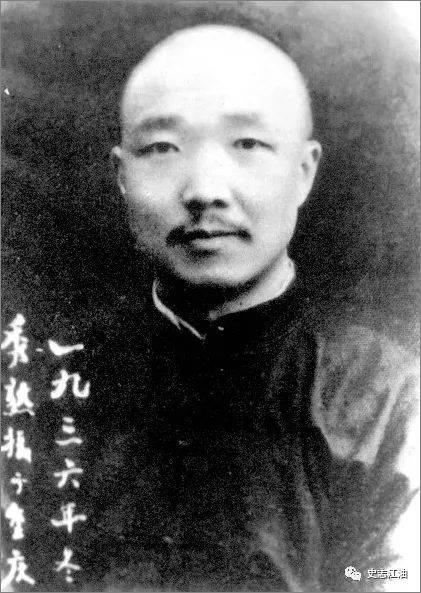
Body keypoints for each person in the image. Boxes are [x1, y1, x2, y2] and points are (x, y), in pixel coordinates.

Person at [2, 23, 418, 593]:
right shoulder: (40, 381)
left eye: (247, 144)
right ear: (121, 175)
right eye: (162, 148)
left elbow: (399, 574)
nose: (204, 191)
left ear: (304, 172)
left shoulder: (392, 398)